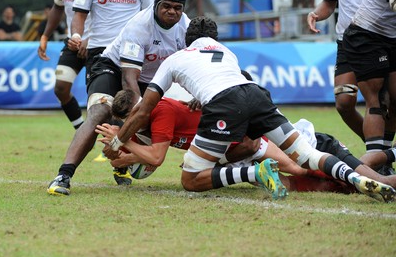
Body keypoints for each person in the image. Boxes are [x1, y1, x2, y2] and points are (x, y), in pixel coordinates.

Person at [102, 16, 396, 203]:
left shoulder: (177, 58)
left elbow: (144, 113)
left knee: (191, 179)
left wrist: (118, 141)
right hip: (255, 97)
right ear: (214, 41)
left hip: (227, 110)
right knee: (306, 157)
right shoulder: (226, 52)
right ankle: (357, 178)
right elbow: (244, 85)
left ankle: (255, 174)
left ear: (186, 41)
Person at [97, 90, 396, 196]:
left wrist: (127, 147)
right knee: (297, 182)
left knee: (302, 169)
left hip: (251, 141)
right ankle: (378, 161)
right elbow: (136, 156)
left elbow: (156, 158)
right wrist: (121, 155)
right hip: (233, 150)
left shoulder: (158, 111)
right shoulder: (144, 121)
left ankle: (382, 164)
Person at [47, 0, 189, 195]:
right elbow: (129, 82)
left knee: (157, 119)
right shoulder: (140, 25)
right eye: (166, 6)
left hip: (152, 79)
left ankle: (123, 162)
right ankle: (63, 175)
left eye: (177, 8)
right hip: (115, 68)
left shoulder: (185, 27)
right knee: (100, 112)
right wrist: (135, 119)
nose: (172, 12)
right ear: (156, 4)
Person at [307, 0, 390, 142]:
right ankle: (377, 147)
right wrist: (315, 14)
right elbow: (329, 3)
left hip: (375, 40)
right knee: (344, 103)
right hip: (346, 42)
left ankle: (379, 151)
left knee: (384, 100)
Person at [342, 0, 396, 166]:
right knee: (378, 99)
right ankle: (373, 165)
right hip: (366, 36)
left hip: (391, 39)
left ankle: (383, 160)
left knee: (395, 99)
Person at [38, 0, 96, 130]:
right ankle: (81, 131)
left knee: (98, 97)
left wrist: (90, 39)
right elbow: (58, 7)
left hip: (97, 43)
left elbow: (105, 12)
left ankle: (110, 142)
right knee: (61, 88)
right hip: (73, 42)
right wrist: (45, 36)